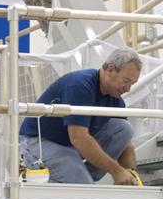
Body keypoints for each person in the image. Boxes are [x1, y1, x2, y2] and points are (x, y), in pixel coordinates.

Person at [20, 48, 143, 185]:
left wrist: (132, 175)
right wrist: (117, 171)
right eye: (126, 81)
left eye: (132, 84)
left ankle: (82, 178)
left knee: (124, 128)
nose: (128, 89)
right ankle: (78, 180)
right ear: (110, 69)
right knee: (84, 185)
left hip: (69, 146)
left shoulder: (115, 99)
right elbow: (78, 138)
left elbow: (126, 146)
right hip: (40, 142)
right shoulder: (80, 86)